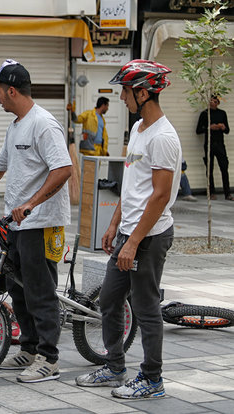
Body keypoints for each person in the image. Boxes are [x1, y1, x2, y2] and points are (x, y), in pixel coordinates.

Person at [0, 58, 72, 383]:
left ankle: (49, 358)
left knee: (40, 290)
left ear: (12, 90)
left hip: (41, 222)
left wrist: (32, 203)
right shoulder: (16, 125)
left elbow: (63, 169)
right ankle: (30, 348)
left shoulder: (43, 124)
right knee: (18, 290)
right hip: (17, 224)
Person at [75, 60, 181, 399]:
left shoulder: (163, 137)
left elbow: (160, 195)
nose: (121, 97)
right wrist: (115, 225)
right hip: (129, 232)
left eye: (125, 90)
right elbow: (132, 184)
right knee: (109, 299)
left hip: (149, 236)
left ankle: (152, 379)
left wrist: (133, 241)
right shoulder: (138, 130)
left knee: (146, 307)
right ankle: (115, 366)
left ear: (144, 93)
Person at [196, 95, 232, 200]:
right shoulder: (204, 114)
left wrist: (223, 127)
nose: (213, 103)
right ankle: (211, 192)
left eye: (215, 102)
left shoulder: (222, 113)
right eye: (211, 101)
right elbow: (198, 130)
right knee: (209, 169)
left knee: (224, 168)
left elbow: (227, 130)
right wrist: (209, 128)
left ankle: (227, 193)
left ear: (218, 103)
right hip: (209, 144)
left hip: (220, 144)